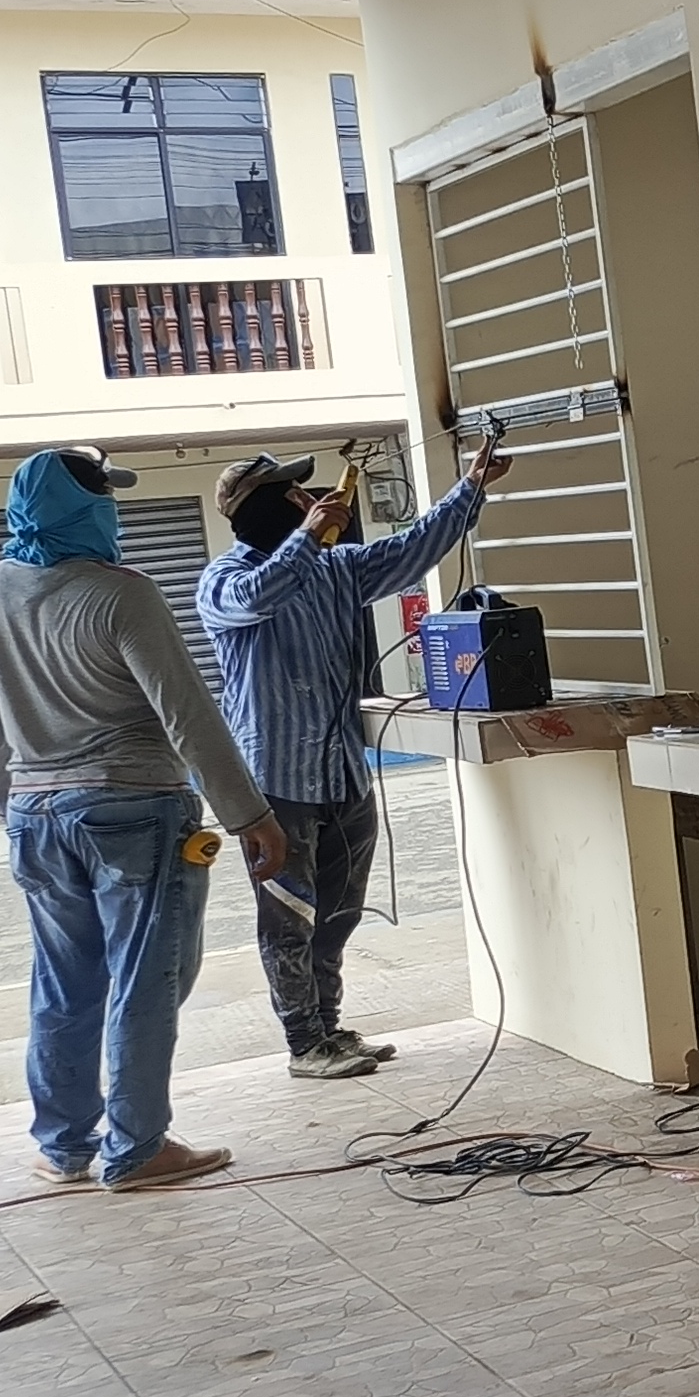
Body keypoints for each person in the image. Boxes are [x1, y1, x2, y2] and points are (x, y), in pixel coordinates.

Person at [0, 447, 287, 1191]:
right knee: (146, 977)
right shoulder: (122, 594)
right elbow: (186, 713)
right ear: (85, 509)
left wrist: (16, 805)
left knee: (63, 983)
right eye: (105, 496)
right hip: (133, 810)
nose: (114, 509)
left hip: (36, 814)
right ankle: (138, 1147)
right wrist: (249, 815)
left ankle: (64, 1145)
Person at [196, 436, 508, 1079]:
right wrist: (308, 538)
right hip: (276, 782)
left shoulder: (338, 567)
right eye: (289, 491)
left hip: (343, 772)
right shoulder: (223, 580)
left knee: (337, 913)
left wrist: (471, 486)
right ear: (257, 508)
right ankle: (304, 1043)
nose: (305, 497)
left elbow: (414, 547)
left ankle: (330, 1029)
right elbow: (256, 598)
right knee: (289, 917)